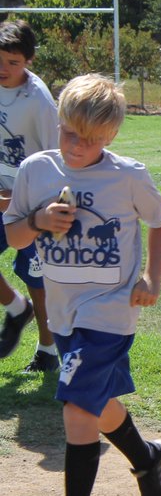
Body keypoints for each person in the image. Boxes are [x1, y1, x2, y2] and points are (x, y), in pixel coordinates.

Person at [3, 73, 161, 496]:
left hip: (111, 309)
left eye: (93, 139)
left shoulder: (127, 176)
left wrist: (151, 276)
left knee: (77, 408)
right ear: (58, 122)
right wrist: (38, 221)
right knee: (95, 404)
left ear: (111, 135)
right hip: (63, 310)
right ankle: (147, 459)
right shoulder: (36, 169)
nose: (78, 147)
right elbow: (13, 236)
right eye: (70, 134)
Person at [0, 20, 61, 373]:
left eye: (13, 62)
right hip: (2, 195)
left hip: (33, 202)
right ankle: (15, 308)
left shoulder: (38, 100)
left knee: (36, 277)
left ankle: (47, 351)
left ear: (29, 61)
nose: (4, 69)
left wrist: (27, 198)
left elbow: (56, 155)